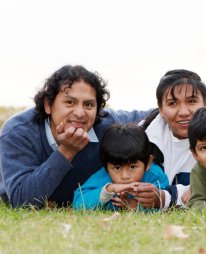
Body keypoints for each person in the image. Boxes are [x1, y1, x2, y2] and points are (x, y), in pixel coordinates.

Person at [0, 65, 149, 208]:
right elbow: (22, 200)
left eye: (89, 105)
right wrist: (66, 151)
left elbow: (152, 115)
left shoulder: (109, 125)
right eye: (70, 102)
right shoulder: (18, 131)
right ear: (48, 105)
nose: (80, 113)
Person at [132, 69, 206, 210]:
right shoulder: (140, 137)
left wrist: (200, 188)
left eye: (191, 101)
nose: (183, 112)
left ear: (205, 103)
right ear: (161, 108)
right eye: (172, 103)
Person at [73, 123, 169, 210]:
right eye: (117, 168)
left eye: (132, 167)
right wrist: (109, 190)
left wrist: (135, 205)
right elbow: (78, 204)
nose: (125, 176)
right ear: (106, 166)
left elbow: (164, 205)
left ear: (148, 163)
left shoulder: (156, 177)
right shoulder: (104, 176)